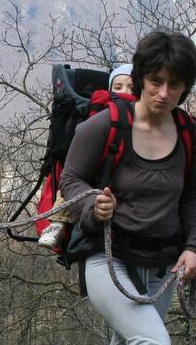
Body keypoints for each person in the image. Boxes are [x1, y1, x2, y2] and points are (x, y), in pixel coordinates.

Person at [58, 33, 196, 345]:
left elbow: (194, 198)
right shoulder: (103, 127)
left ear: (186, 87)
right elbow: (72, 180)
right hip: (106, 258)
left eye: (175, 84)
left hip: (161, 265)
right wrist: (92, 207)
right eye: (156, 80)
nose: (164, 92)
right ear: (141, 77)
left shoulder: (189, 134)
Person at [37, 65, 135, 250]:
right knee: (71, 185)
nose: (125, 92)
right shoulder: (102, 111)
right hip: (95, 168)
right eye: (118, 87)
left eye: (131, 88)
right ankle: (58, 223)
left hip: (120, 172)